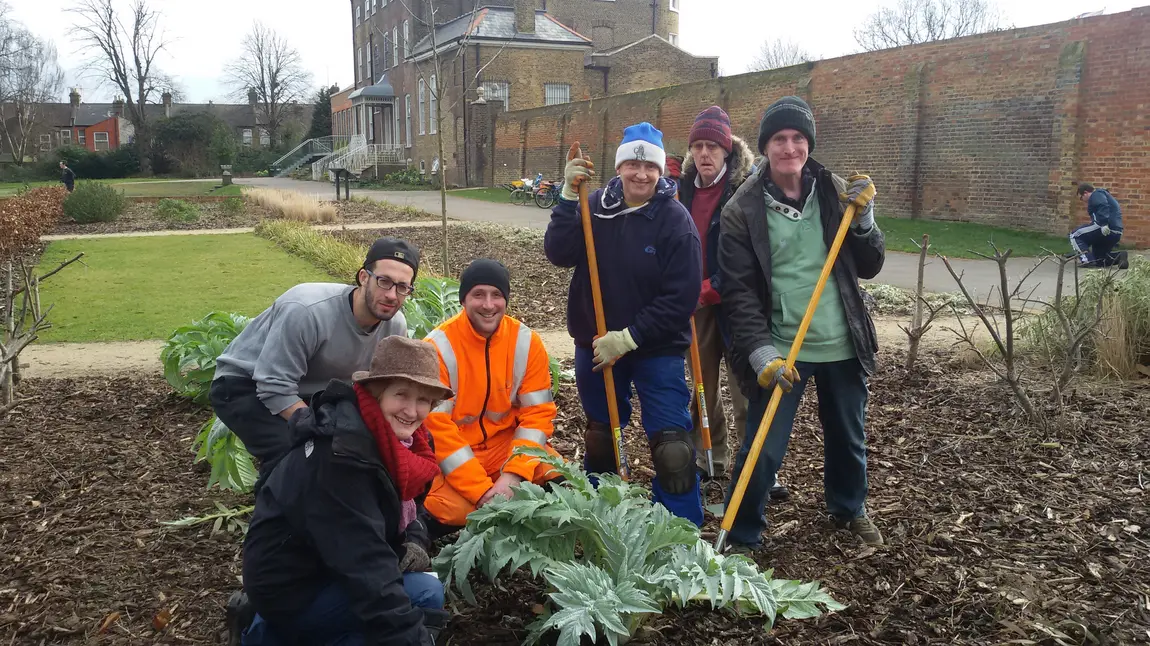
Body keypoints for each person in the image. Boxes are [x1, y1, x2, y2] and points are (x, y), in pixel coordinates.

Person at [718, 96, 886, 549]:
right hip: (781, 347)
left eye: (797, 138)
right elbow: (738, 295)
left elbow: (869, 265)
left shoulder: (836, 193)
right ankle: (742, 534)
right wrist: (761, 355)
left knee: (848, 436)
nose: (789, 147)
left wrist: (865, 219)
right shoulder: (741, 210)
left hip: (841, 340)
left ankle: (849, 508)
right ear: (765, 146)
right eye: (778, 139)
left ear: (808, 144)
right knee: (762, 448)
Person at [235, 336, 451, 645]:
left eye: (424, 400)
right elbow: (367, 568)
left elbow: (410, 504)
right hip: (291, 588)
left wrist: (414, 539)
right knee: (418, 600)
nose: (412, 410)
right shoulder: (341, 457)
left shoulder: (409, 446)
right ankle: (264, 633)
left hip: (326, 563)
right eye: (401, 394)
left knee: (422, 594)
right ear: (376, 393)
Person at [545, 122, 705, 526]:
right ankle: (602, 518)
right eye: (632, 164)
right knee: (602, 437)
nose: (640, 174)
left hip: (657, 347)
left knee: (672, 448)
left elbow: (681, 298)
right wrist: (566, 198)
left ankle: (678, 531)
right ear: (618, 167)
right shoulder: (593, 206)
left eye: (649, 166)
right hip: (597, 342)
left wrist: (630, 337)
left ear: (661, 170)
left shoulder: (675, 221)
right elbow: (559, 252)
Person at [211, 238, 415, 472]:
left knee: (359, 450)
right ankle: (275, 505)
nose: (392, 295)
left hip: (313, 392)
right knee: (299, 455)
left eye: (402, 287)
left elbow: (378, 389)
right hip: (245, 384)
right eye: (384, 281)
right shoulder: (308, 311)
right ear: (363, 277)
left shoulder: (395, 326)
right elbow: (273, 386)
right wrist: (319, 428)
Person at [421, 259, 562, 533]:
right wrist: (482, 490)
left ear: (506, 299)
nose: (488, 305)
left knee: (560, 476)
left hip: (506, 449)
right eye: (478, 295)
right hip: (458, 455)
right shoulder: (437, 347)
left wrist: (514, 475)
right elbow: (436, 429)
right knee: (448, 509)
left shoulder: (526, 342)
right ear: (464, 300)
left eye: (496, 295)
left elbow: (538, 416)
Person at [1071, 183, 1128, 269]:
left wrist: (1104, 223)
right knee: (1099, 259)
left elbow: (1103, 206)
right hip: (1116, 231)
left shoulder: (1096, 194)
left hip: (1104, 226)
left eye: (1081, 197)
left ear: (1085, 193)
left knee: (1074, 235)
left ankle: (1087, 260)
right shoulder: (1105, 195)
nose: (1082, 200)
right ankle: (1119, 256)